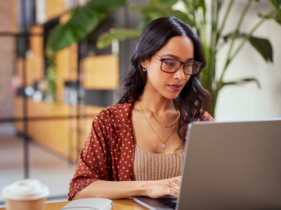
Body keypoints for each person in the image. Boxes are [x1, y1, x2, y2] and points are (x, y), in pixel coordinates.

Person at [68, 16, 214, 201]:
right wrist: (147, 187)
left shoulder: (201, 122)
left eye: (188, 65)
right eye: (170, 63)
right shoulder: (110, 121)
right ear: (144, 60)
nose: (180, 75)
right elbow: (80, 189)